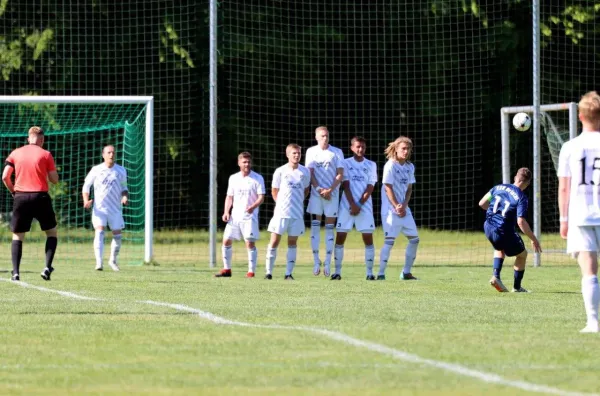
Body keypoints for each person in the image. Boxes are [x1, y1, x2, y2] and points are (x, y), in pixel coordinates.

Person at [558, 90, 600, 333]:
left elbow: (565, 187)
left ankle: (593, 322)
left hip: (582, 215)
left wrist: (564, 219)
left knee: (589, 271)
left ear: (581, 116)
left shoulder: (570, 147)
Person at [2, 126, 59, 281]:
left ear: (28, 138)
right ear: (42, 140)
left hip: (20, 197)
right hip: (40, 197)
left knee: (18, 236)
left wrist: (14, 192)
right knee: (52, 232)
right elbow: (54, 180)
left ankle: (15, 272)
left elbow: (5, 176)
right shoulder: (46, 154)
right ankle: (47, 267)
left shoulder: (15, 153)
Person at [478, 167, 541, 293]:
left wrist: (495, 213)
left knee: (499, 248)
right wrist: (534, 239)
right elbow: (521, 222)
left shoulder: (498, 187)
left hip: (488, 226)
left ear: (515, 178)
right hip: (503, 230)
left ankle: (496, 276)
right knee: (522, 255)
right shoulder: (521, 197)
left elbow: (482, 203)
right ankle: (517, 287)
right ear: (527, 183)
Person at [215, 152, 265, 278]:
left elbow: (261, 197)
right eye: (244, 162)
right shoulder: (233, 178)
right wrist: (226, 212)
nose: (247, 164)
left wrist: (253, 207)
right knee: (226, 240)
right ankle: (227, 270)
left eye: (248, 162)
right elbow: (229, 197)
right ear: (239, 163)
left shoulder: (257, 178)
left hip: (249, 217)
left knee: (249, 243)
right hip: (235, 216)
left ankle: (251, 272)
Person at [334, 136, 378, 280]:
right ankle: (337, 272)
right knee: (340, 237)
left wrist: (358, 204)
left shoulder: (371, 164)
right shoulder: (345, 163)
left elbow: (370, 187)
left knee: (368, 238)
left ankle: (369, 273)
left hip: (364, 207)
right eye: (358, 146)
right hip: (346, 206)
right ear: (352, 147)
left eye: (363, 147)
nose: (360, 149)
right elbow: (345, 185)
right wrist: (352, 204)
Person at [265, 144, 310, 280]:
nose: (297, 155)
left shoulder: (305, 172)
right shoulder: (280, 171)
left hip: (296, 214)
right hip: (281, 213)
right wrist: (280, 205)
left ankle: (288, 274)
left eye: (298, 153)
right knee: (274, 242)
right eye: (294, 153)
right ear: (288, 154)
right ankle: (268, 273)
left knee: (292, 243)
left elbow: (306, 190)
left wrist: (298, 201)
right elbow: (274, 190)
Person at [305, 126, 345, 277]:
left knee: (329, 228)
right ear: (316, 137)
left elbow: (340, 174)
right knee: (315, 228)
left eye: (327, 135)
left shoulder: (337, 151)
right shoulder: (311, 151)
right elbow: (310, 172)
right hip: (317, 195)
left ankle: (328, 262)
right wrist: (319, 189)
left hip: (332, 195)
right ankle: (316, 261)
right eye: (322, 136)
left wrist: (330, 190)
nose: (325, 138)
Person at [378, 136, 419, 280]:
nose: (406, 151)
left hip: (404, 210)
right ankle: (381, 274)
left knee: (414, 240)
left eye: (408, 149)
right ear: (396, 149)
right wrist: (397, 205)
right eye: (403, 148)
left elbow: (409, 188)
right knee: (389, 241)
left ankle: (406, 273)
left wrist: (405, 205)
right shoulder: (390, 165)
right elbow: (387, 187)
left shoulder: (410, 166)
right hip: (390, 211)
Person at [82, 145, 128, 272]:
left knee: (118, 236)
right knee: (100, 231)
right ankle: (99, 262)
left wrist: (124, 197)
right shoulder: (96, 170)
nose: (111, 155)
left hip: (115, 209)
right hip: (99, 209)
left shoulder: (121, 170)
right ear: (103, 155)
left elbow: (124, 188)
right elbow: (86, 186)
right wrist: (86, 200)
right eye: (109, 152)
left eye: (113, 152)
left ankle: (112, 260)